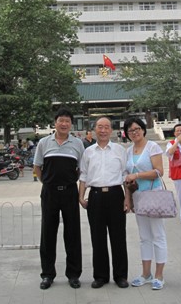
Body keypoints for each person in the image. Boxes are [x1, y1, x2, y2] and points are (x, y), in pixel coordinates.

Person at [33, 107, 84, 290]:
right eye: (61, 120)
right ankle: (47, 274)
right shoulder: (44, 143)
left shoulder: (77, 144)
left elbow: (81, 169)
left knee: (72, 233)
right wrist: (48, 182)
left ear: (71, 124)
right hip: (49, 193)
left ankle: (73, 274)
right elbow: (37, 167)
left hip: (69, 192)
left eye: (67, 121)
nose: (64, 124)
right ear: (55, 122)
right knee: (47, 233)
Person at [79, 117, 130, 289]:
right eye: (100, 127)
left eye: (106, 127)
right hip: (95, 196)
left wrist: (127, 198)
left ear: (111, 130)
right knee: (97, 237)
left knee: (118, 237)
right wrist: (81, 196)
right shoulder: (88, 152)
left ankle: (120, 276)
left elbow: (125, 175)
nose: (103, 130)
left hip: (116, 195)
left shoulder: (119, 150)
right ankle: (100, 276)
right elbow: (83, 175)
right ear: (94, 129)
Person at [123, 116, 167, 291]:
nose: (134, 132)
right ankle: (145, 273)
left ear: (143, 129)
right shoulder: (128, 151)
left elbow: (159, 171)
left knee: (158, 234)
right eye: (130, 130)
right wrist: (127, 198)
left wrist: (137, 175)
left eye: (137, 129)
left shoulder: (152, 147)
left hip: (153, 194)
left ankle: (159, 275)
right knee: (144, 236)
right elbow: (126, 178)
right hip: (138, 196)